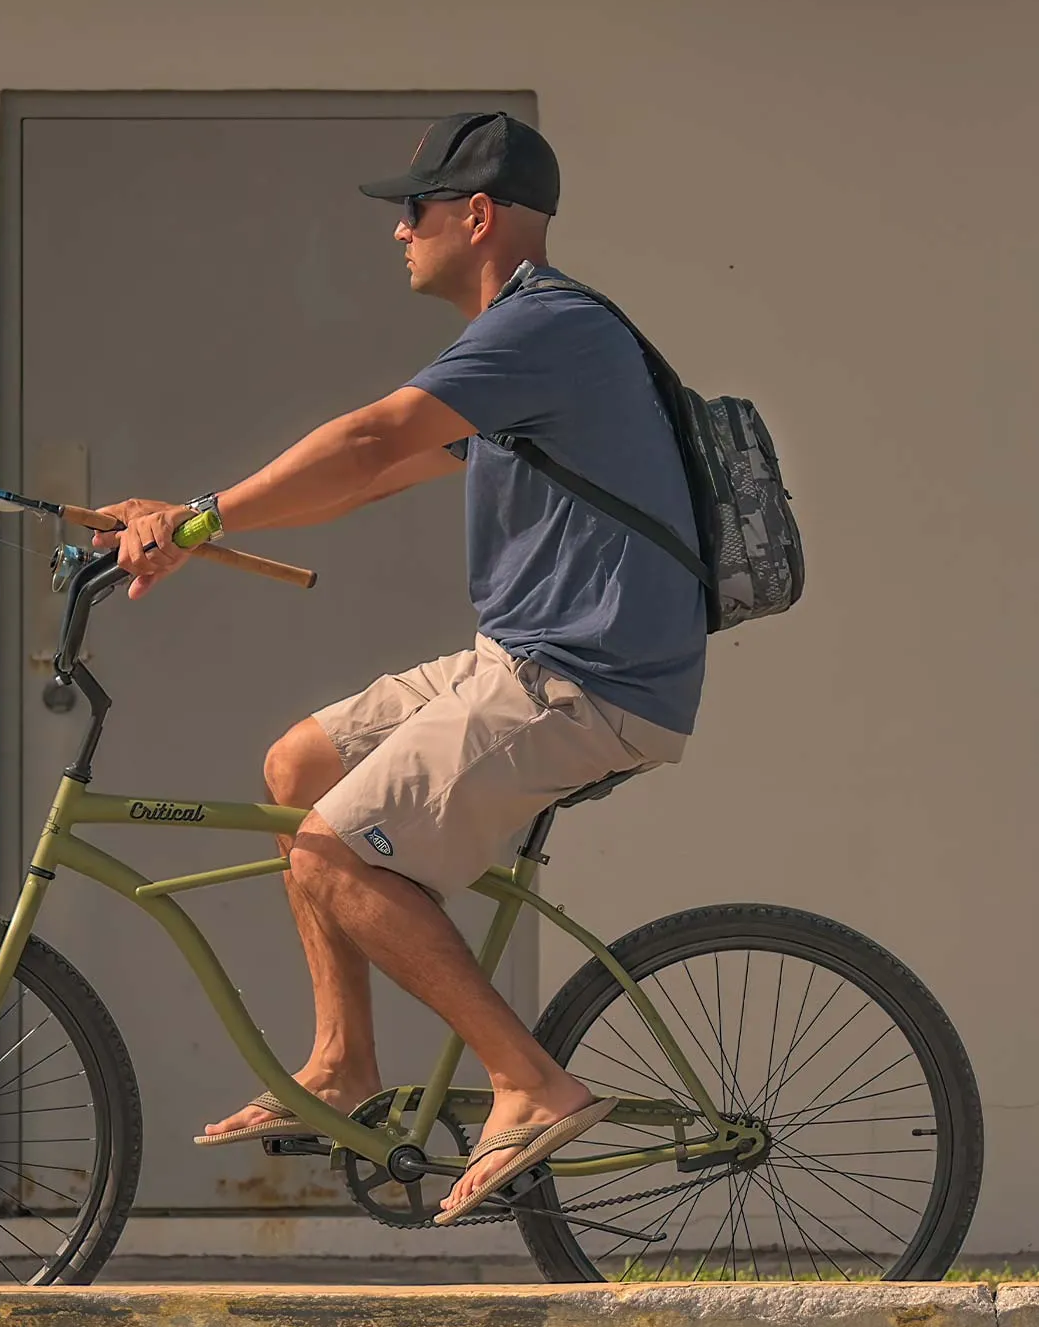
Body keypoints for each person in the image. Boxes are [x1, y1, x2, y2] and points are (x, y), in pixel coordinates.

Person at [99, 111, 706, 1223]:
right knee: (299, 766)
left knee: (333, 856)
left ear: (474, 215)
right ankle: (342, 1063)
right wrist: (190, 524)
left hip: (582, 680)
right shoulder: (524, 348)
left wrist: (192, 521)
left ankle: (530, 1081)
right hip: (521, 660)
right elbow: (367, 478)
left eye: (412, 208)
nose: (396, 231)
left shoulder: (543, 327)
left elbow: (371, 439)